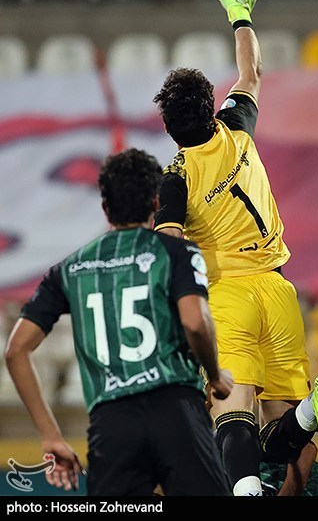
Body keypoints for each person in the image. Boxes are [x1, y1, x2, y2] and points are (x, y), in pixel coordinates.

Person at [152, 0, 318, 496]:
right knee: (283, 432)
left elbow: (168, 245)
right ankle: (311, 410)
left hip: (228, 297)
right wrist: (240, 14)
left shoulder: (175, 178)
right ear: (210, 106)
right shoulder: (235, 126)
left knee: (231, 415)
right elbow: (251, 72)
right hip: (279, 291)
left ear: (169, 128)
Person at [4, 148, 234, 496]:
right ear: (156, 202)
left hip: (111, 424)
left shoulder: (69, 269)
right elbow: (195, 323)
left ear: (104, 206)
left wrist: (51, 435)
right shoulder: (177, 252)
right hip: (176, 411)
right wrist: (215, 376)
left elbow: (16, 350)